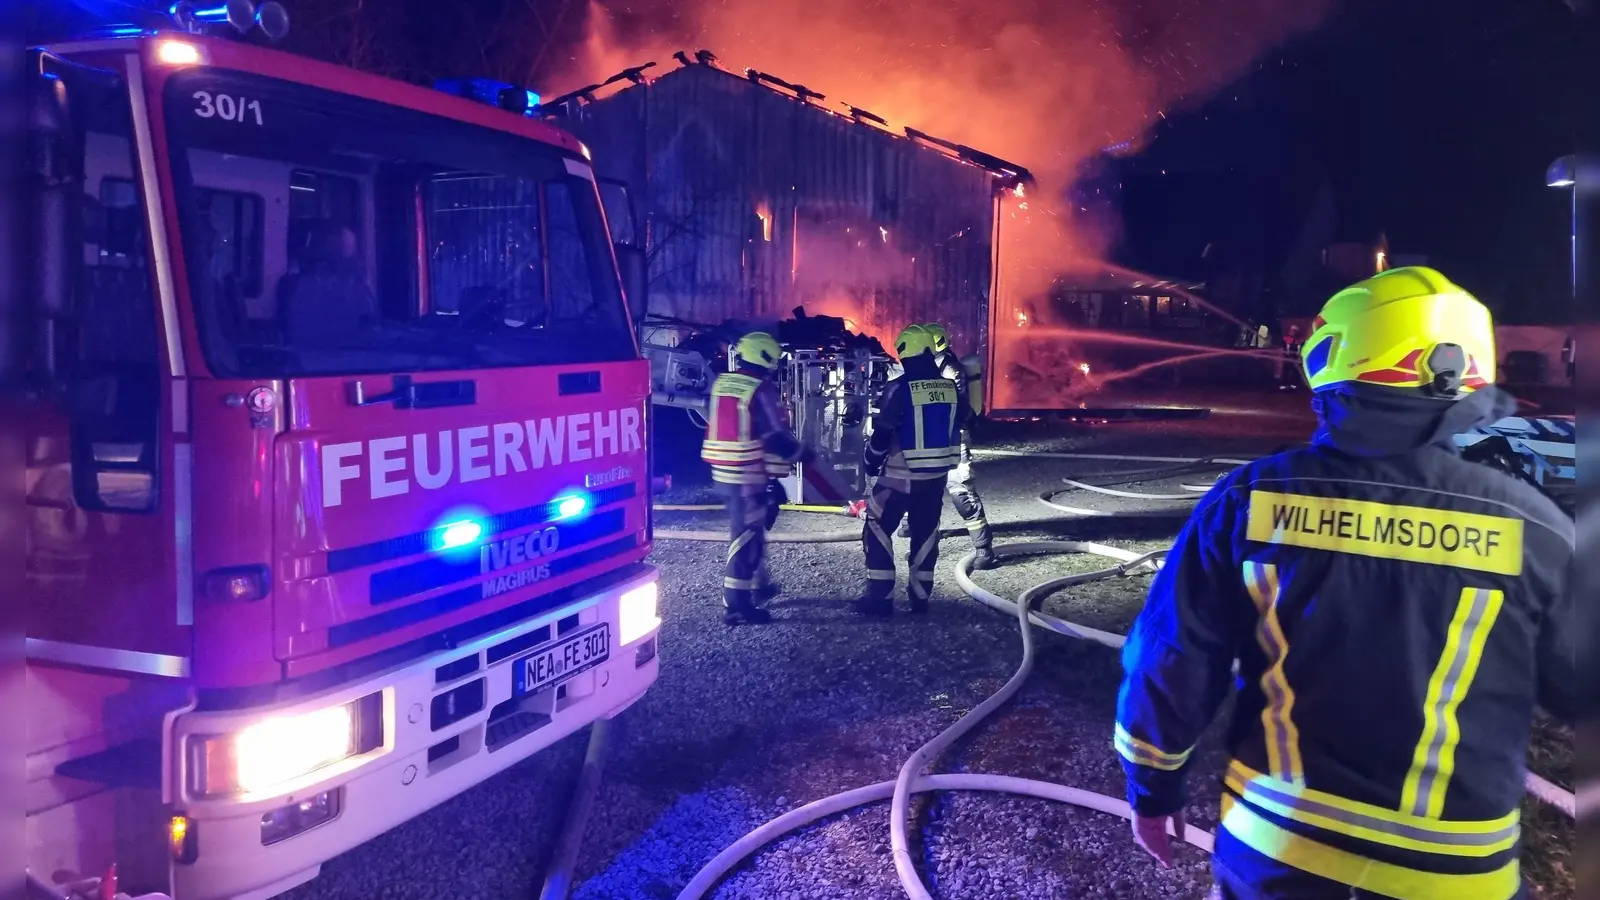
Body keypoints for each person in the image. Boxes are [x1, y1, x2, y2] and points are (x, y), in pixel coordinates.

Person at [1114, 266, 1582, 899]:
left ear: (1337, 368)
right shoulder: (1540, 532)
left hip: (1279, 850)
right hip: (1458, 874)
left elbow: (1170, 660)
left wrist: (1153, 789)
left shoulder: (1251, 499)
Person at [700, 331, 814, 625]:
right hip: (746, 472)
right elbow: (774, 436)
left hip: (724, 471)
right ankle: (737, 605)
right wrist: (804, 454)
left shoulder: (724, 381)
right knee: (747, 537)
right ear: (766, 357)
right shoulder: (759, 389)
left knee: (753, 531)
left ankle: (758, 586)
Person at [856, 325, 965, 616]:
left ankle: (880, 598)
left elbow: (881, 434)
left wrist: (869, 460)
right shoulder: (950, 388)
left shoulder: (900, 389)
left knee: (876, 526)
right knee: (925, 534)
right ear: (930, 350)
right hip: (935, 479)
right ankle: (920, 597)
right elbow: (966, 420)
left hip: (899, 479)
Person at [896, 323, 998, 570]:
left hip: (951, 440)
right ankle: (913, 529)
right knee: (920, 489)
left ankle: (984, 550)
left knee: (960, 491)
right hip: (933, 440)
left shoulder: (951, 370)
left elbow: (959, 410)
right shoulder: (933, 369)